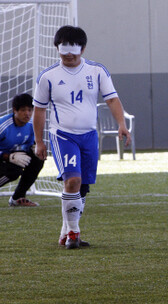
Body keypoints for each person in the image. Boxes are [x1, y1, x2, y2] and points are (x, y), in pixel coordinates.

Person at [33, 26, 131, 249]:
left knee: (82, 187)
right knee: (72, 180)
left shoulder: (97, 71)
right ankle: (74, 234)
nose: (68, 56)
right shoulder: (47, 77)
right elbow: (39, 110)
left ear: (83, 49)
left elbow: (112, 99)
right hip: (62, 136)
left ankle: (66, 232)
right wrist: (39, 141)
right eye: (63, 51)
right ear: (57, 49)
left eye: (73, 51)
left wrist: (122, 124)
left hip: (89, 136)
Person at [1, 93, 45, 207]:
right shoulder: (3, 125)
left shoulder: (31, 126)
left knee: (37, 159)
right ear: (15, 110)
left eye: (30, 110)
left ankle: (18, 198)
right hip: (3, 157)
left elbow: (29, 145)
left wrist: (36, 149)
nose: (27, 114)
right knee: (13, 171)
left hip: (9, 156)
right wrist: (7, 157)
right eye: (23, 110)